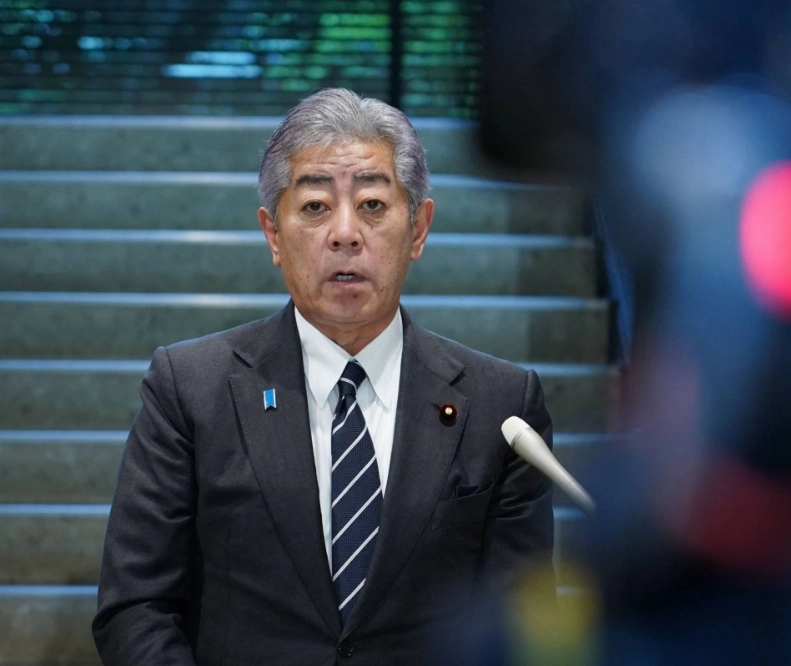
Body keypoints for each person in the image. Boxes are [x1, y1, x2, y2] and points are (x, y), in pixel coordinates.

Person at [92, 88, 555, 665]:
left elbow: (519, 624)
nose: (345, 233)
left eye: (373, 204)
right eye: (314, 207)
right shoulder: (189, 389)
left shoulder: (502, 406)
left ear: (418, 229)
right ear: (273, 235)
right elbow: (136, 607)